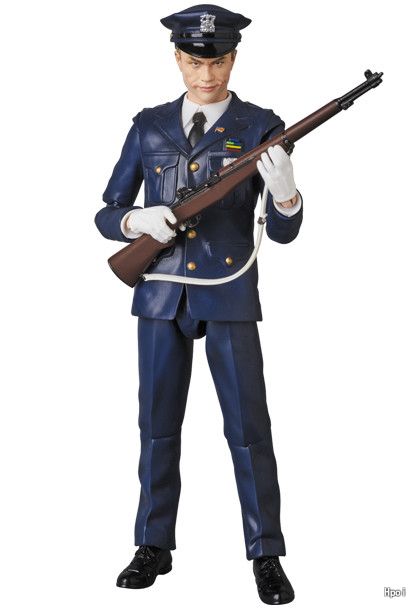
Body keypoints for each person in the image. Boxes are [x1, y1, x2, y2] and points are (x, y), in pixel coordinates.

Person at [95, 4, 303, 605]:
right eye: (193, 61)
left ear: (233, 59)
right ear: (177, 59)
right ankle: (152, 545)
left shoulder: (261, 125)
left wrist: (285, 195)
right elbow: (107, 210)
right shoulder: (149, 126)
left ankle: (266, 553)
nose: (205, 74)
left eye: (217, 61)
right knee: (157, 426)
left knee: (249, 428)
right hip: (160, 294)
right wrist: (136, 220)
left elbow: (285, 234)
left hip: (229, 291)